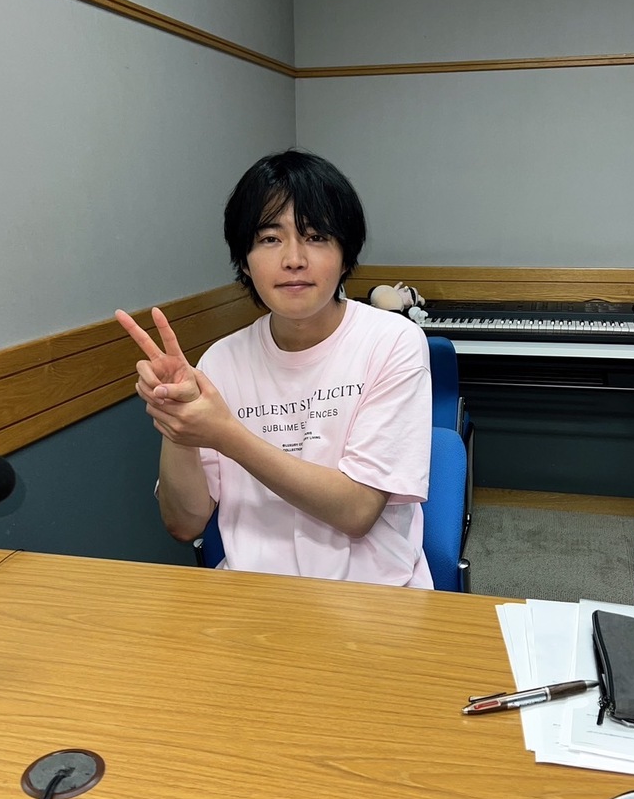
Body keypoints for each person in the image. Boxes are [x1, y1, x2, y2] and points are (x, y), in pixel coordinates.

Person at [116, 149, 433, 587]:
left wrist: (225, 434)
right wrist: (178, 424)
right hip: (256, 597)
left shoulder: (392, 342)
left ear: (346, 255)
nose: (293, 259)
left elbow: (357, 511)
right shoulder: (221, 361)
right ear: (244, 261)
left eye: (316, 236)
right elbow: (184, 524)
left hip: (373, 597)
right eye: (269, 238)